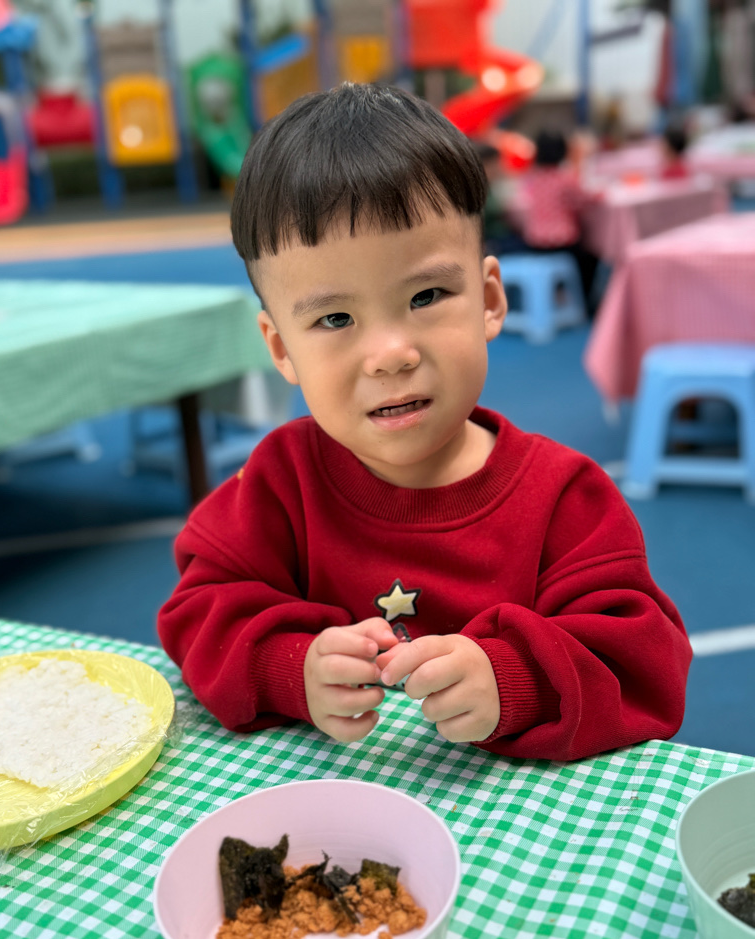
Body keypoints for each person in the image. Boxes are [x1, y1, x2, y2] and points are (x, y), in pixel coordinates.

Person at [157, 83, 691, 763]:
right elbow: (200, 612)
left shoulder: (566, 499)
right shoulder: (278, 483)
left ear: (489, 300)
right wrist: (291, 666)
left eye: (427, 295)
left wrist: (516, 679)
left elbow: (646, 665)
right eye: (335, 318)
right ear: (282, 348)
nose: (390, 354)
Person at [511, 128, 601, 316]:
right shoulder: (565, 179)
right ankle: (584, 302)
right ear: (563, 151)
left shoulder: (532, 179)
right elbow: (585, 199)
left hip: (534, 243)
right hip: (562, 243)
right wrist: (600, 194)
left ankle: (557, 294)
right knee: (592, 256)